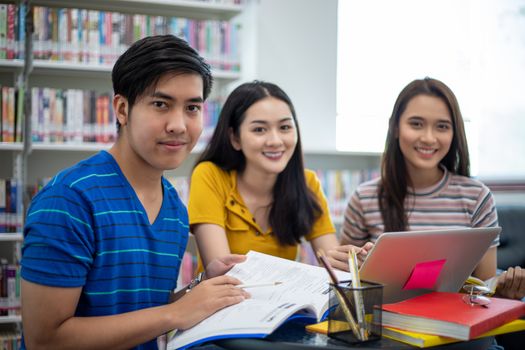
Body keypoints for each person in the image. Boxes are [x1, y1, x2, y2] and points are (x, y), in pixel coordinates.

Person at [20, 35, 249, 350]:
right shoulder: (69, 200)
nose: (179, 125)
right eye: (160, 104)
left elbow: (140, 309)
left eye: (192, 108)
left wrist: (199, 290)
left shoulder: (175, 209)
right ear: (122, 109)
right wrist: (174, 313)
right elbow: (44, 340)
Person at [340, 77, 525, 300]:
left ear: (454, 133)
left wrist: (504, 292)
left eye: (442, 126)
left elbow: (485, 287)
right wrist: (354, 267)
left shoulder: (477, 197)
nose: (428, 138)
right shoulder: (364, 198)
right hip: (387, 327)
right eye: (416, 124)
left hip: (459, 327)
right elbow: (346, 284)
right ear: (396, 127)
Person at [188, 81, 355, 272]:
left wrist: (350, 261)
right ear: (235, 138)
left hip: (286, 301)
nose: (275, 141)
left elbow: (332, 262)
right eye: (259, 129)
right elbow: (221, 270)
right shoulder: (210, 175)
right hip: (227, 299)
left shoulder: (307, 182)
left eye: (284, 128)